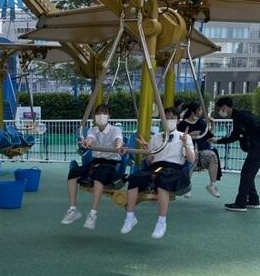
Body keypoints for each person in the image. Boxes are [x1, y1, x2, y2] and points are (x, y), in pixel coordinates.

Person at [120, 106, 195, 239]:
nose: (169, 120)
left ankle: (161, 221)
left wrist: (184, 144)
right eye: (167, 118)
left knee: (162, 180)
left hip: (173, 169)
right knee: (134, 178)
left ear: (178, 121)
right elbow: (150, 160)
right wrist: (147, 150)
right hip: (156, 167)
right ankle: (130, 216)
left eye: (172, 118)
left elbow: (191, 159)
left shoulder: (184, 137)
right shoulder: (155, 137)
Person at [61, 104, 123, 230]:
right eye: (99, 113)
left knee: (98, 178)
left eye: (104, 113)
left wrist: (118, 147)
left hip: (111, 163)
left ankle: (93, 214)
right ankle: (73, 209)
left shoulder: (115, 129)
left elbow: (118, 140)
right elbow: (90, 139)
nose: (101, 115)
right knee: (73, 173)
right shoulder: (92, 130)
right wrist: (87, 143)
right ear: (95, 116)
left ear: (109, 116)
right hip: (95, 162)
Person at [215, 96, 260, 211]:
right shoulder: (237, 117)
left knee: (246, 173)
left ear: (224, 107)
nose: (219, 111)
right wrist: (217, 141)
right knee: (247, 174)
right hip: (256, 147)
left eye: (219, 108)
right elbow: (234, 136)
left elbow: (257, 125)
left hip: (257, 147)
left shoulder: (242, 116)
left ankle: (241, 203)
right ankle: (253, 200)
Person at [177, 102, 222, 198]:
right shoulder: (182, 124)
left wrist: (211, 124)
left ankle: (212, 184)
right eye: (200, 110)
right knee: (192, 158)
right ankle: (187, 185)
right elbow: (178, 138)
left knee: (213, 156)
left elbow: (208, 136)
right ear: (193, 112)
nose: (201, 112)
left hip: (201, 149)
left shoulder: (201, 123)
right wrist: (190, 135)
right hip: (187, 151)